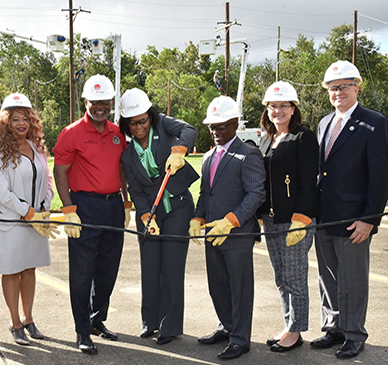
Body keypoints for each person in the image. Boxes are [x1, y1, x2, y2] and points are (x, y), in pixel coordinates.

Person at [311, 60, 388, 359]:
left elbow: (380, 177)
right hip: (325, 215)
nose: (337, 92)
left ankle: (354, 334)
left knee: (353, 279)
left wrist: (369, 220)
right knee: (327, 276)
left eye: (343, 86)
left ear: (357, 86)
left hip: (354, 218)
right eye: (332, 88)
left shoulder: (375, 122)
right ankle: (334, 328)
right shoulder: (324, 123)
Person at [52, 74, 131, 355]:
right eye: (94, 101)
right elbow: (59, 171)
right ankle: (82, 331)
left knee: (108, 269)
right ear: (85, 101)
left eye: (105, 101)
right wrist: (68, 209)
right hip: (84, 206)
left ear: (111, 103)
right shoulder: (71, 132)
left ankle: (98, 320)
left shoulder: (117, 132)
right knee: (83, 272)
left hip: (112, 206)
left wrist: (125, 203)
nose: (100, 106)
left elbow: (122, 170)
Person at [119, 88, 198, 345]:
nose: (140, 126)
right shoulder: (128, 156)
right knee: (150, 268)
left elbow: (190, 130)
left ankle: (170, 326)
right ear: (126, 124)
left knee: (172, 268)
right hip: (152, 214)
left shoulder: (164, 125)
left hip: (178, 208)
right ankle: (150, 322)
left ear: (150, 116)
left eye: (143, 120)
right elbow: (136, 189)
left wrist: (180, 150)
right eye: (133, 123)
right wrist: (145, 216)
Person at [188, 96, 266, 360]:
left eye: (221, 126)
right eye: (212, 127)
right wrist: (197, 218)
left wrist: (232, 220)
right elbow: (205, 194)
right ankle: (227, 326)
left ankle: (240, 338)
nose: (215, 131)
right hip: (213, 234)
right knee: (218, 286)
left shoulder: (248, 153)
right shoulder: (209, 156)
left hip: (237, 235)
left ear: (234, 124)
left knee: (240, 288)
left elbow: (256, 194)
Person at [0, 93, 58, 346]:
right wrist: (26, 212)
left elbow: (47, 180)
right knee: (11, 269)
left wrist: (44, 206)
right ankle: (15, 321)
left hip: (36, 218)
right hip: (11, 220)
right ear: (6, 121)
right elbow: (1, 190)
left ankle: (29, 319)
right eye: (15, 119)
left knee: (29, 268)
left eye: (25, 118)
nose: (21, 123)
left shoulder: (37, 147)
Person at [256, 81, 319, 352]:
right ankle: (288, 324)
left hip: (295, 221)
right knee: (281, 277)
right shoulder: (267, 139)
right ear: (267, 110)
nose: (278, 110)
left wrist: (302, 217)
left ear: (293, 109)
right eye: (273, 106)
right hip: (272, 220)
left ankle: (295, 331)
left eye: (283, 105)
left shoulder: (303, 137)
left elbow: (309, 180)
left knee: (295, 277)